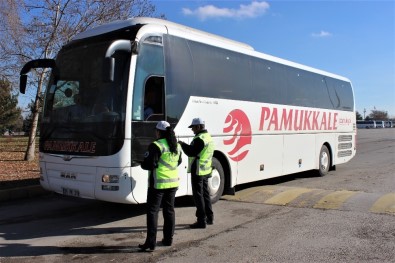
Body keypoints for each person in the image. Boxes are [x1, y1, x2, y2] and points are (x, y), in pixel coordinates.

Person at [139, 121, 182, 251]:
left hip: (158, 184)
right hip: (173, 183)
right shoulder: (177, 146)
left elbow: (148, 164)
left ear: (159, 132)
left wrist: (142, 163)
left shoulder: (156, 145)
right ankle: (168, 240)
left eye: (156, 131)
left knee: (153, 212)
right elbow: (178, 162)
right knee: (169, 211)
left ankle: (150, 243)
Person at [179, 117, 214, 229]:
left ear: (198, 127)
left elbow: (191, 152)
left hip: (198, 170)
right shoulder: (208, 137)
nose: (192, 130)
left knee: (198, 196)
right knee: (205, 194)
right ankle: (210, 217)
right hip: (205, 169)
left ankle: (201, 221)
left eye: (193, 127)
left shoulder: (199, 139)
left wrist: (182, 144)